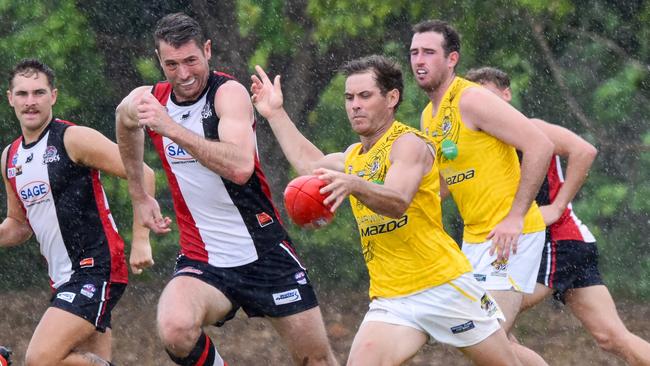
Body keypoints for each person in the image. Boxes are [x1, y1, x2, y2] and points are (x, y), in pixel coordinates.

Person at [251, 54, 524, 365]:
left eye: (365, 96)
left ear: (392, 97)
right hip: (392, 297)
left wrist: (354, 184)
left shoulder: (409, 143)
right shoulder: (354, 156)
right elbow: (310, 165)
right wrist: (275, 113)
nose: (355, 105)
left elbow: (397, 201)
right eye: (350, 97)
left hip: (443, 284)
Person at [115, 13, 337, 366]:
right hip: (203, 256)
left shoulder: (228, 93)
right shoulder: (149, 100)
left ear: (207, 50)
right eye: (171, 65)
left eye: (190, 60)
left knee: (315, 359)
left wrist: (171, 128)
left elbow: (239, 166)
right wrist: (140, 196)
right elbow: (124, 122)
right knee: (174, 328)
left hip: (265, 252)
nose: (184, 74)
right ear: (159, 61)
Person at [466, 66, 650, 366]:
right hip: (559, 244)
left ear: (506, 95)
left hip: (558, 241)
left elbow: (584, 150)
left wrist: (558, 206)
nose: (484, 107)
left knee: (486, 321)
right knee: (611, 337)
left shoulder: (530, 126)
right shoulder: (480, 142)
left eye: (489, 97)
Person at [410, 20, 555, 365]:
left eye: (429, 52)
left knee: (486, 337)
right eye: (414, 52)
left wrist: (516, 217)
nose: (419, 60)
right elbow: (445, 179)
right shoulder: (428, 116)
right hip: (475, 239)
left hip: (509, 236)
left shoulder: (472, 98)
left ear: (451, 59)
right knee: (487, 342)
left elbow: (541, 145)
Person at [0, 59, 156, 365]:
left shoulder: (72, 139)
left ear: (53, 96)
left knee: (38, 360)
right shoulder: (10, 157)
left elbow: (144, 174)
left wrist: (141, 238)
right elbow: (18, 225)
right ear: (9, 98)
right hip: (62, 278)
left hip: (96, 267)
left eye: (38, 93)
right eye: (22, 94)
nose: (30, 102)